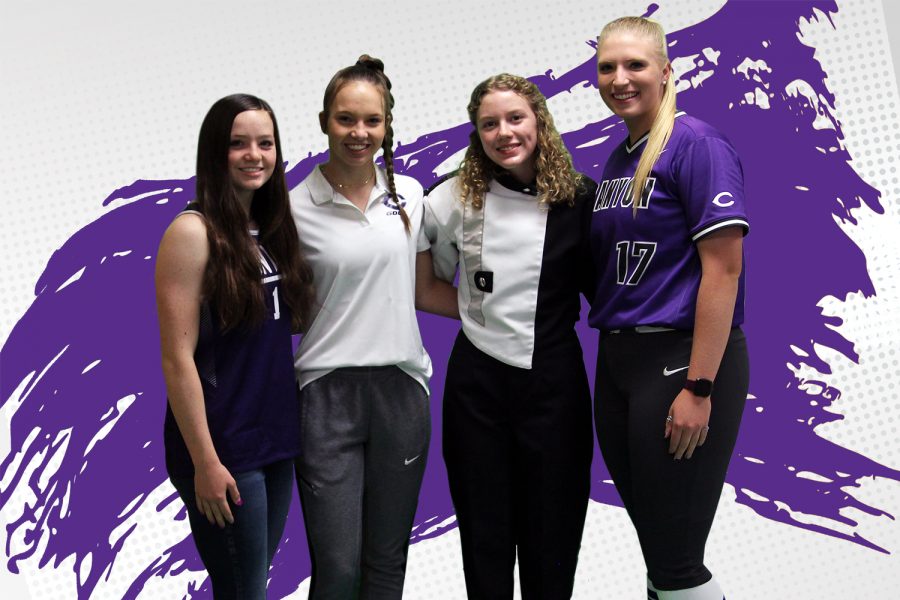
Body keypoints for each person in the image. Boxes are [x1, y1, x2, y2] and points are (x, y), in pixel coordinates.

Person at [589, 16, 750, 600]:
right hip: (620, 362)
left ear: (665, 71)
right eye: (607, 66)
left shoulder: (697, 145)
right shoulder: (615, 161)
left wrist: (700, 386)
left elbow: (724, 269)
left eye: (634, 64)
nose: (620, 78)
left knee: (676, 558)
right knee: (660, 546)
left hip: (681, 360)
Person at [290, 55, 457, 600]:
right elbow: (284, 310)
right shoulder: (292, 209)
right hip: (325, 396)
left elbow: (424, 288)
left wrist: (509, 314)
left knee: (386, 565)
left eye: (371, 121)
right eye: (345, 119)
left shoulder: (408, 195)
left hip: (400, 392)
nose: (358, 133)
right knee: (338, 570)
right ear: (323, 121)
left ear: (387, 125)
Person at [424, 73, 596, 599]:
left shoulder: (582, 197)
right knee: (484, 532)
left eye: (515, 118)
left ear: (539, 121)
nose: (504, 133)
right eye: (489, 124)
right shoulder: (452, 196)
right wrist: (483, 313)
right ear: (477, 134)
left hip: (555, 381)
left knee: (555, 531)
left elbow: (608, 291)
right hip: (477, 385)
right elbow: (422, 285)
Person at [156, 93, 315, 599]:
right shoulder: (192, 231)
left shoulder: (269, 232)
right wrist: (205, 461)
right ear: (214, 153)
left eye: (265, 143)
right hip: (223, 446)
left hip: (274, 437)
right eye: (238, 144)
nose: (255, 155)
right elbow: (176, 357)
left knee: (250, 588)